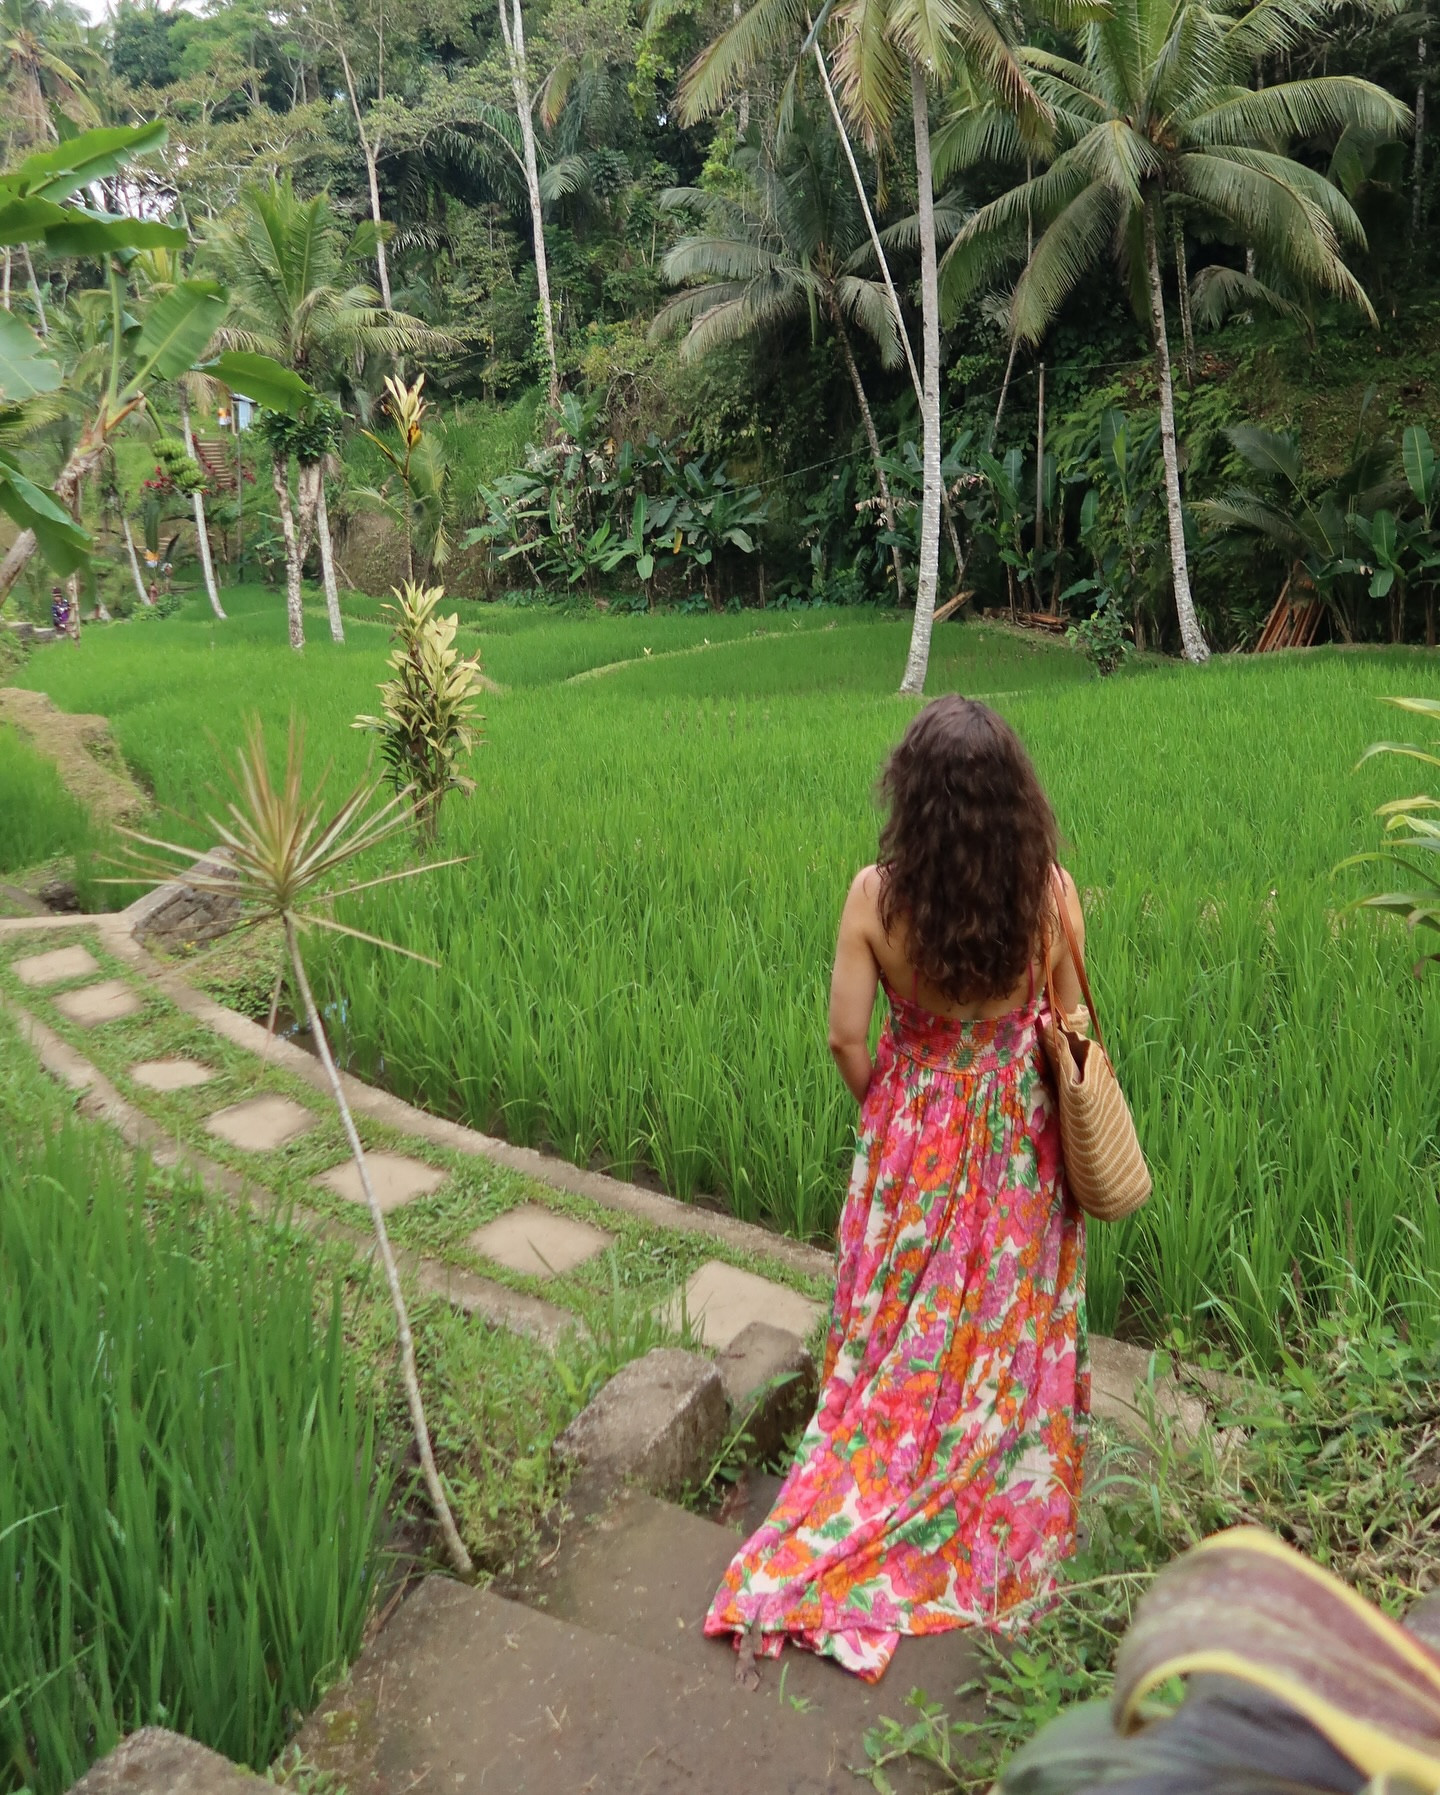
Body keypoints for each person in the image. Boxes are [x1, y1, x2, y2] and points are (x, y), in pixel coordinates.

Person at [705, 695, 1090, 1683]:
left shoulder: (876, 898)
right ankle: (986, 1453)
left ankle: (878, 1465)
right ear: (1015, 799)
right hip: (1017, 1138)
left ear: (910, 797)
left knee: (899, 1313)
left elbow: (845, 1035)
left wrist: (900, 1109)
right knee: (999, 1311)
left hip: (913, 1127)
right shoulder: (1050, 895)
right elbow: (1074, 1021)